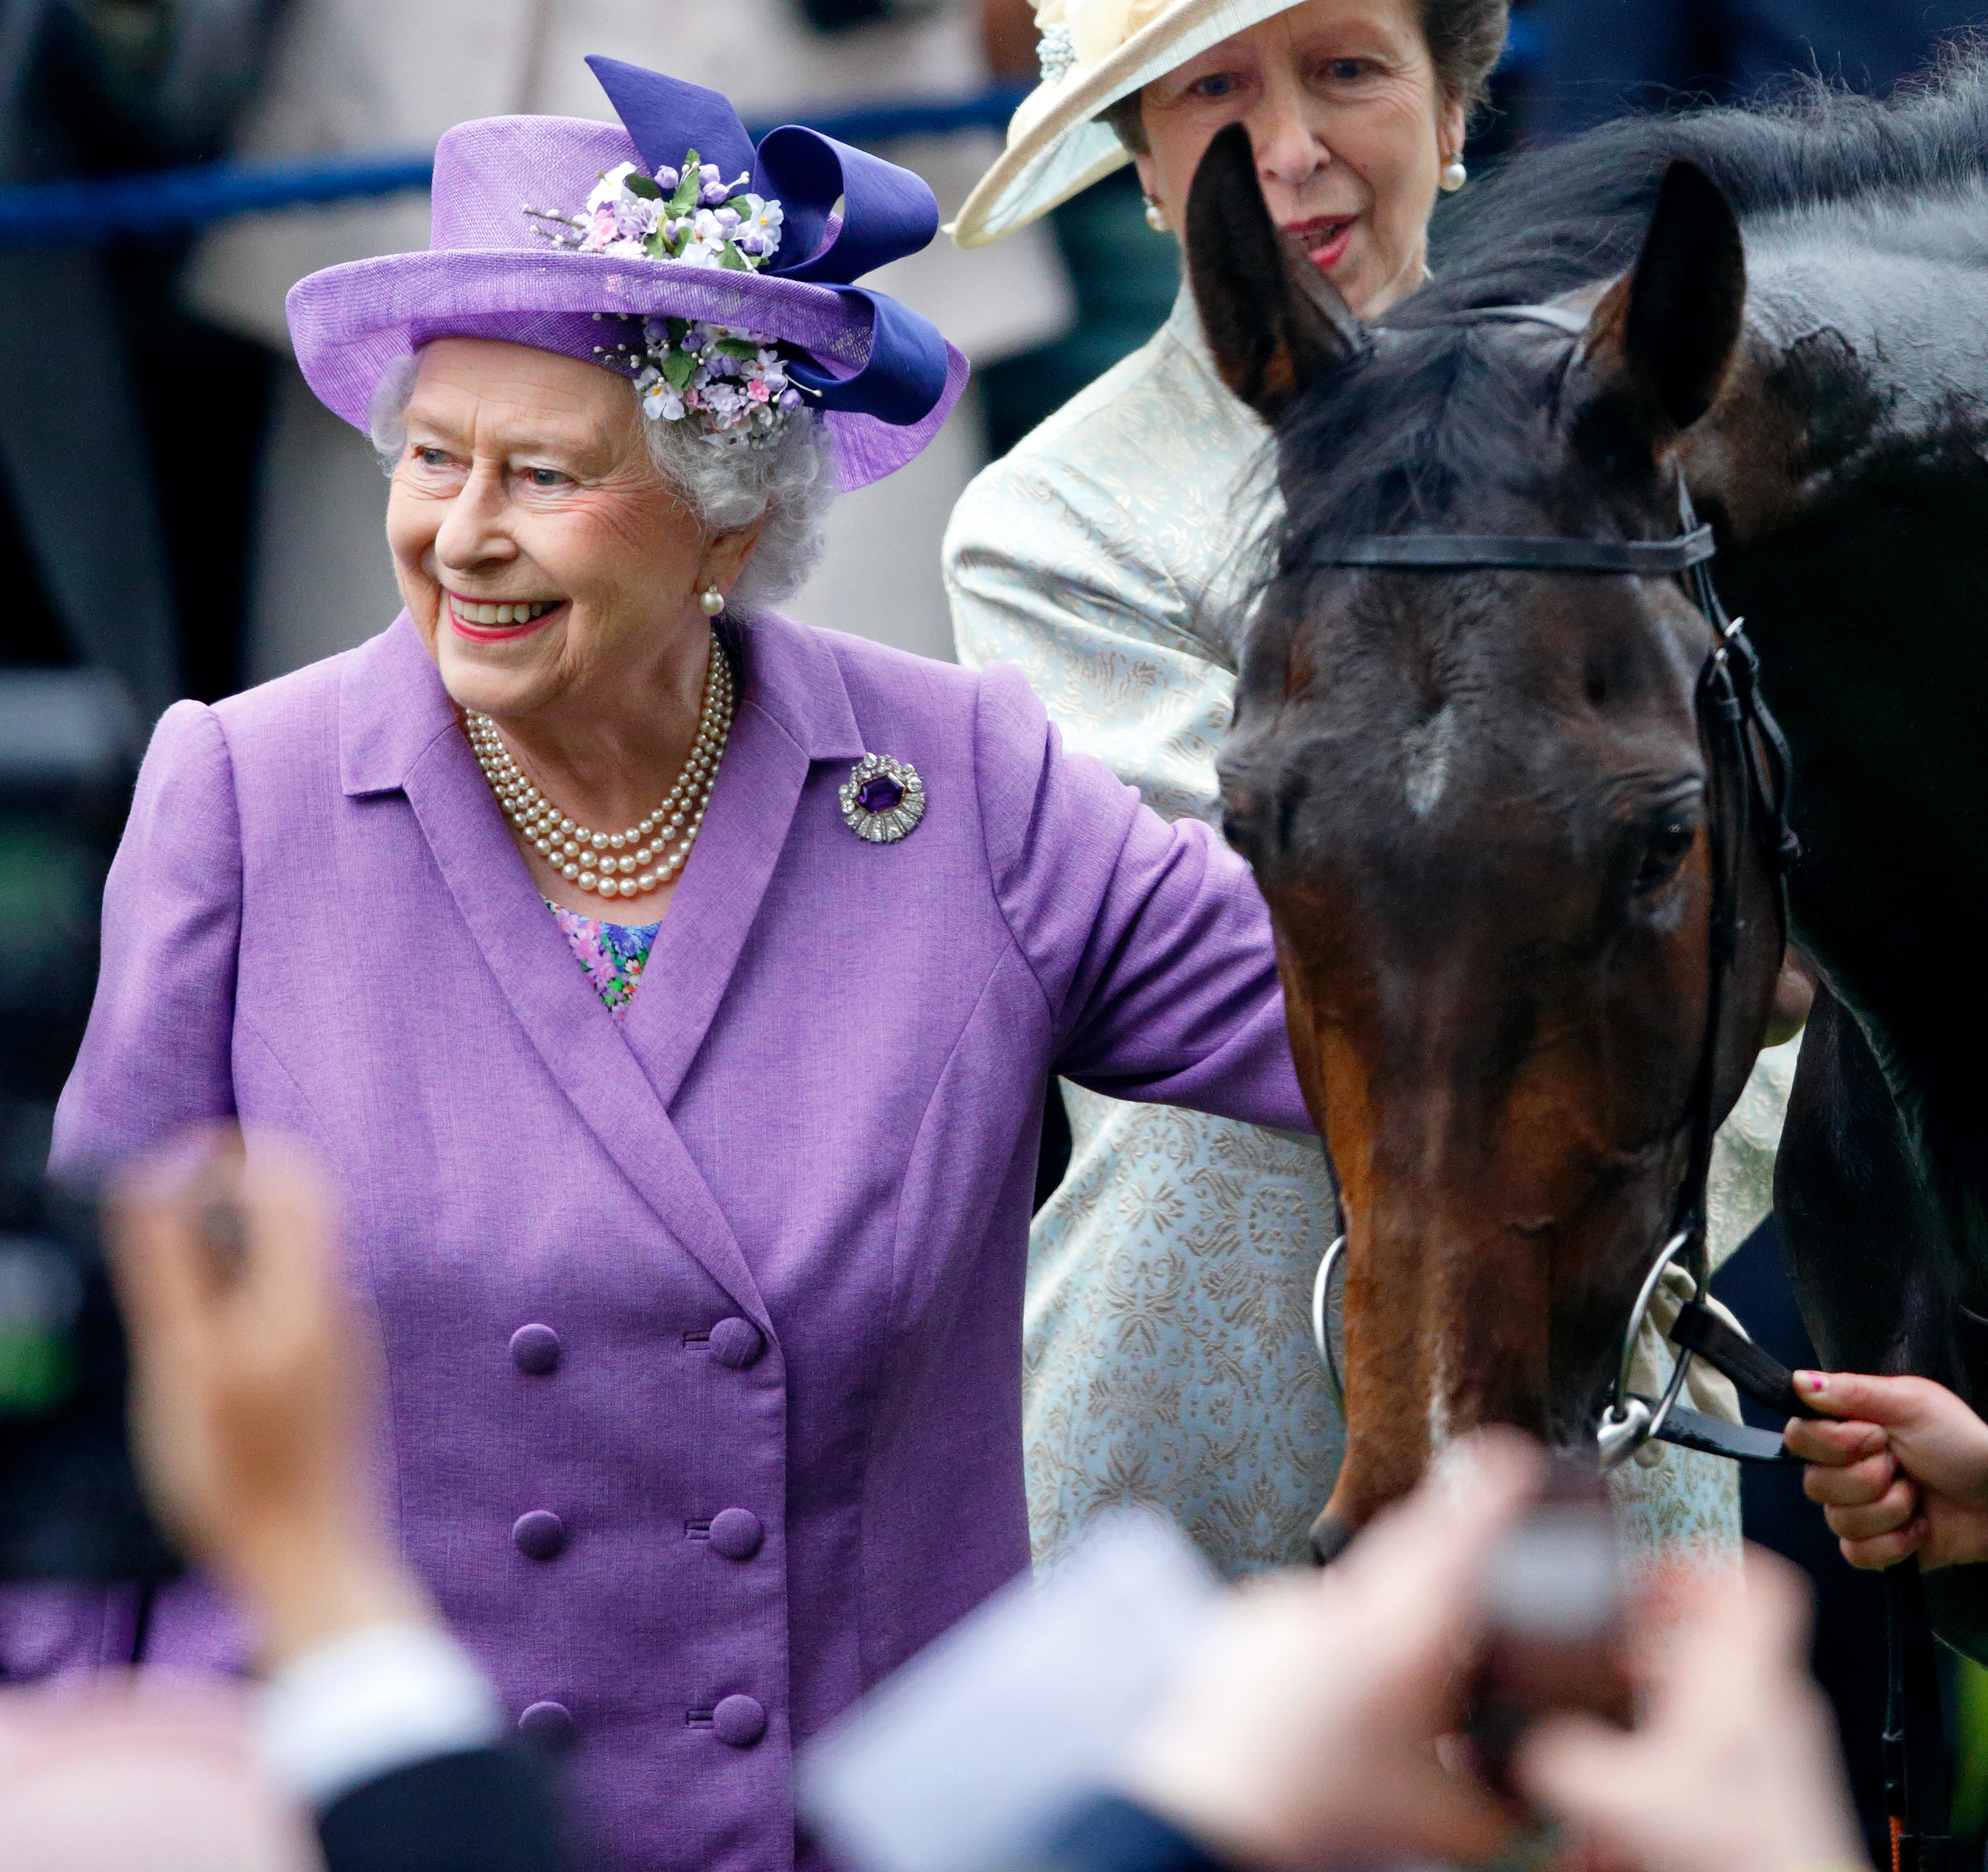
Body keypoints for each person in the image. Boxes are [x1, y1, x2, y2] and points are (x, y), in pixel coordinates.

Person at [19, 54, 1312, 1872]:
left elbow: (1382, 1026)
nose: (459, 534)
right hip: (367, 1818)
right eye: (429, 458)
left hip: (840, 1827)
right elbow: (103, 1364)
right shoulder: (242, 795)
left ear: (725, 514)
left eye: (540, 474)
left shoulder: (963, 786)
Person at [943, 0, 1797, 1579]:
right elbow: (1245, 945)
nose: (1290, 146)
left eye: (1345, 68)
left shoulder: (1654, 446)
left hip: (1590, 1340)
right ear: (1140, 169)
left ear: (1456, 111)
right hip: (1199, 1390)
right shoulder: (1049, 522)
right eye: (1211, 92)